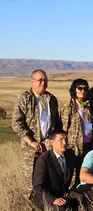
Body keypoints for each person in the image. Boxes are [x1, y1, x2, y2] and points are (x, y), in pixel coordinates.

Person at [12, 69, 60, 199]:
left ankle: (47, 206)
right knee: (30, 182)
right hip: (30, 149)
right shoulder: (25, 98)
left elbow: (56, 123)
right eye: (39, 80)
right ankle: (29, 210)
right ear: (32, 81)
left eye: (45, 80)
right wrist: (31, 141)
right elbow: (16, 123)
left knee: (47, 179)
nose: (42, 82)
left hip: (48, 147)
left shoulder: (52, 99)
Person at [32, 130, 83, 211]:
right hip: (47, 197)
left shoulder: (69, 154)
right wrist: (53, 200)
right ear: (52, 142)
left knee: (82, 199)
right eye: (61, 140)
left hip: (63, 195)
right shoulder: (43, 160)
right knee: (60, 209)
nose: (64, 142)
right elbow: (37, 187)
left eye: (66, 139)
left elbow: (80, 168)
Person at [61, 79, 93, 188]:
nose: (82, 91)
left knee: (84, 175)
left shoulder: (88, 106)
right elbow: (63, 129)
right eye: (79, 88)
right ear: (74, 90)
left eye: (85, 88)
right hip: (73, 148)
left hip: (88, 146)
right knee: (70, 176)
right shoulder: (69, 107)